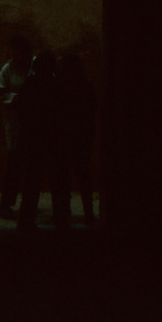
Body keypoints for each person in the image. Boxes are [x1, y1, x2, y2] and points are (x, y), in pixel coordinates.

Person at [16, 51, 69, 232]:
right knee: (57, 183)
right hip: (53, 141)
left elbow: (21, 109)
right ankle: (61, 220)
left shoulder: (30, 83)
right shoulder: (57, 85)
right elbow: (64, 114)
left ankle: (26, 221)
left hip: (33, 141)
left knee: (32, 183)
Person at [0, 34, 33, 219]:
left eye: (16, 49)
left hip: (35, 125)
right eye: (12, 49)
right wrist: (18, 100)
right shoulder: (8, 69)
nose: (12, 53)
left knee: (31, 167)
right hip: (17, 124)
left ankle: (28, 204)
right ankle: (6, 203)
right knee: (14, 165)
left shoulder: (35, 65)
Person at [58, 53, 97, 225]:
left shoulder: (61, 86)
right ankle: (88, 212)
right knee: (83, 174)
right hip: (82, 136)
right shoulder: (86, 86)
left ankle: (64, 210)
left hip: (66, 136)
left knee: (64, 175)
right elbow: (91, 111)